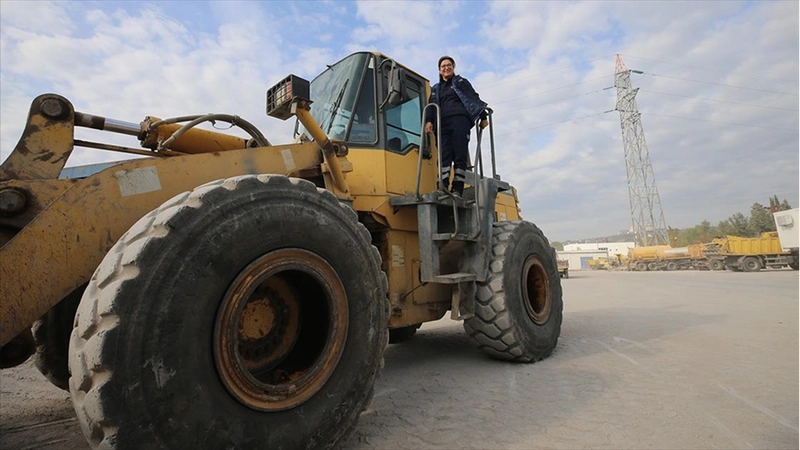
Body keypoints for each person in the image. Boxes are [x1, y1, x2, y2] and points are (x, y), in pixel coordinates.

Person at [424, 56, 488, 197]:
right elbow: (430, 107)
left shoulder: (461, 82)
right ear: (439, 70)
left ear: (453, 67)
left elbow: (473, 97)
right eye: (443, 66)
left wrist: (483, 116)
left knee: (459, 154)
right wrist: (429, 121)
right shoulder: (436, 89)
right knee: (443, 155)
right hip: (442, 124)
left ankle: (457, 189)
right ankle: (443, 187)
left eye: (449, 65)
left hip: (460, 121)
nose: (446, 68)